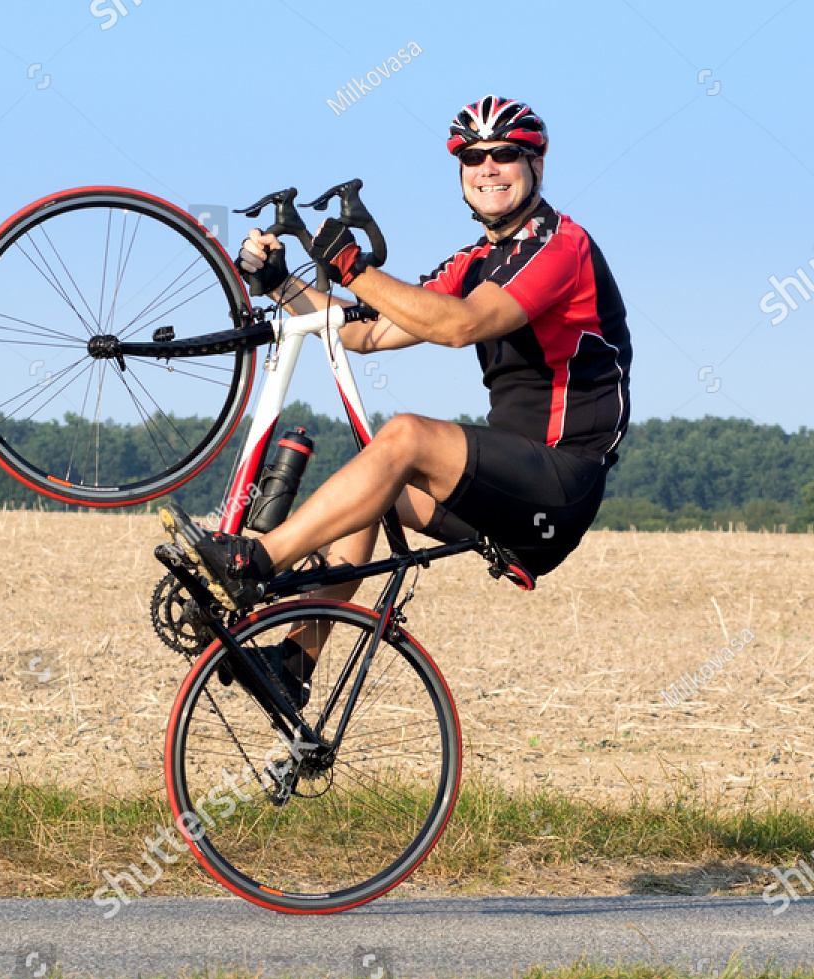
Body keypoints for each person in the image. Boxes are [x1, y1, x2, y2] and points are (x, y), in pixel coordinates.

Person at [161, 96, 630, 689]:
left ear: (536, 163)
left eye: (505, 155)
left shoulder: (562, 248)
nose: (488, 167)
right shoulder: (476, 260)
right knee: (372, 479)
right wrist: (281, 286)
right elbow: (370, 331)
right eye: (474, 156)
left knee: (403, 436)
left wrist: (352, 266)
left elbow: (460, 325)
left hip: (559, 487)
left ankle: (253, 562)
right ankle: (293, 665)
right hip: (502, 494)